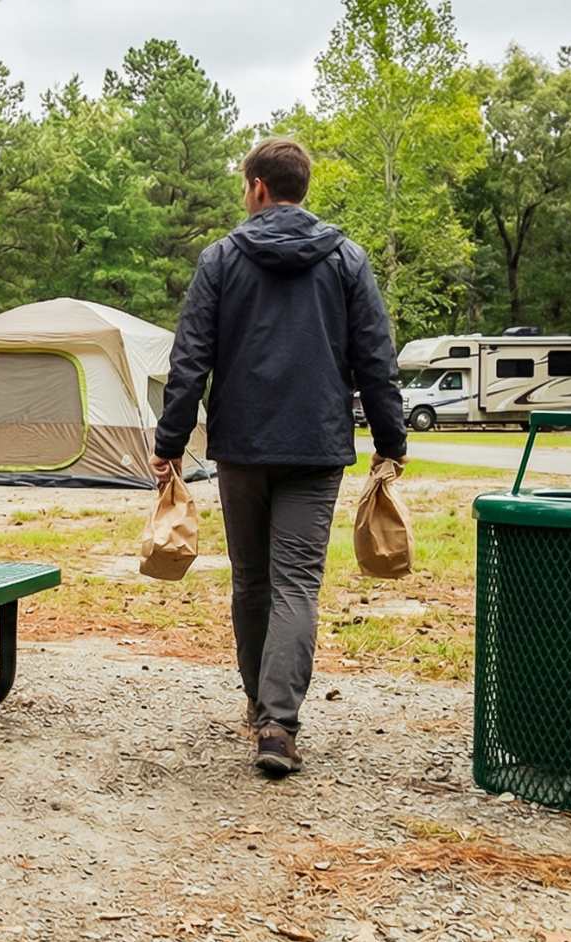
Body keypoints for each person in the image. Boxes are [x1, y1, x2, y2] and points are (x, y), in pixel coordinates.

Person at [150, 137, 408, 777]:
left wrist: (170, 444)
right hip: (316, 448)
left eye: (245, 187)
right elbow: (376, 361)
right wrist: (390, 441)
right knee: (296, 584)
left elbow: (191, 362)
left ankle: (257, 702)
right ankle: (278, 725)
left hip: (241, 448)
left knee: (252, 581)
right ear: (301, 188)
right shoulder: (347, 259)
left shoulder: (221, 259)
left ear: (258, 187)